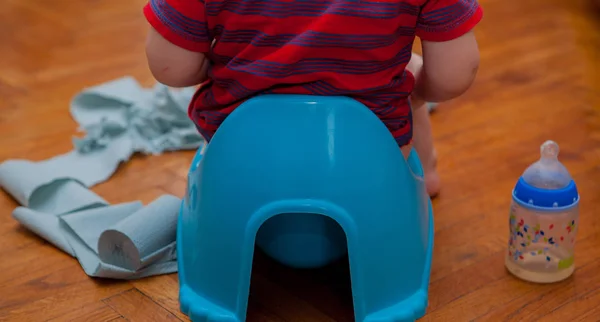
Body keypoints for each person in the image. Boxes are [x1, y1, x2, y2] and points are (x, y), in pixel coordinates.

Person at [143, 0, 482, 197]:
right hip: (370, 157)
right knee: (404, 78)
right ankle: (426, 178)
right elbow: (454, 73)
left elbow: (170, 66)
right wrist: (416, 94)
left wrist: (221, 65)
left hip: (245, 156)